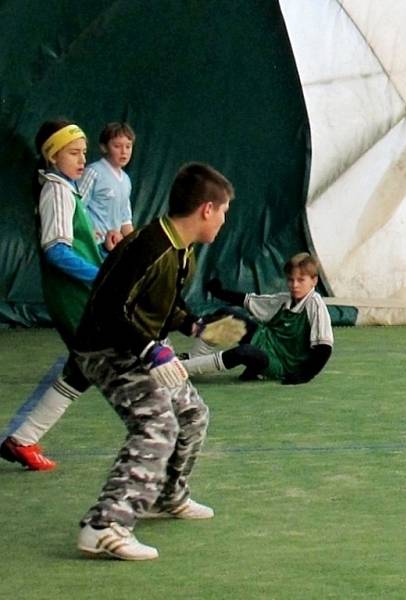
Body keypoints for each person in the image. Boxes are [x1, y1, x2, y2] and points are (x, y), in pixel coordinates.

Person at [74, 162, 234, 560]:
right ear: (207, 209)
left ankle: (167, 495)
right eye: (225, 211)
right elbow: (110, 308)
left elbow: (161, 306)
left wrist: (194, 325)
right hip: (106, 350)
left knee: (192, 414)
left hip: (138, 347)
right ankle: (104, 526)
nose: (224, 220)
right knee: (157, 424)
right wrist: (150, 349)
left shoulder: (183, 253)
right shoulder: (149, 245)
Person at [0, 120, 103, 471]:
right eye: (74, 153)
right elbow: (56, 252)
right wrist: (103, 275)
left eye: (84, 153)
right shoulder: (56, 191)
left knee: (82, 369)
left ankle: (22, 440)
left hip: (79, 296)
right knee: (108, 359)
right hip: (73, 299)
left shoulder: (66, 190)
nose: (82, 159)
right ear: (52, 155)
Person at [181, 252, 333, 384]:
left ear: (314, 281)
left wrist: (304, 375)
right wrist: (219, 292)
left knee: (244, 352)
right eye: (290, 279)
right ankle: (192, 358)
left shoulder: (315, 305)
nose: (294, 285)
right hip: (264, 341)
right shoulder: (284, 299)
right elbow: (249, 301)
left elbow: (324, 349)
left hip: (281, 364)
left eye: (301, 280)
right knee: (225, 314)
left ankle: (181, 370)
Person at [79, 122, 136, 254]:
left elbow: (125, 219)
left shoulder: (126, 180)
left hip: (113, 248)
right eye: (117, 146)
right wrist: (88, 232)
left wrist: (134, 244)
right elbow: (77, 205)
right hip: (92, 244)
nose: (124, 152)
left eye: (128, 146)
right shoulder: (93, 172)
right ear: (104, 147)